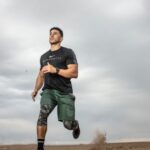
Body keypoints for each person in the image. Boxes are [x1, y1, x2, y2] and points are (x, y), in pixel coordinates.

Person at [31, 27, 80, 150]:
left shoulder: (68, 52)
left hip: (65, 93)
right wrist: (36, 90)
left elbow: (74, 73)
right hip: (49, 91)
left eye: (55, 33)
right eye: (50, 34)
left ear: (61, 38)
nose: (51, 35)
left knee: (67, 124)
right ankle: (40, 147)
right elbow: (41, 76)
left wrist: (55, 70)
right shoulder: (43, 57)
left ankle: (75, 125)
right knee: (43, 114)